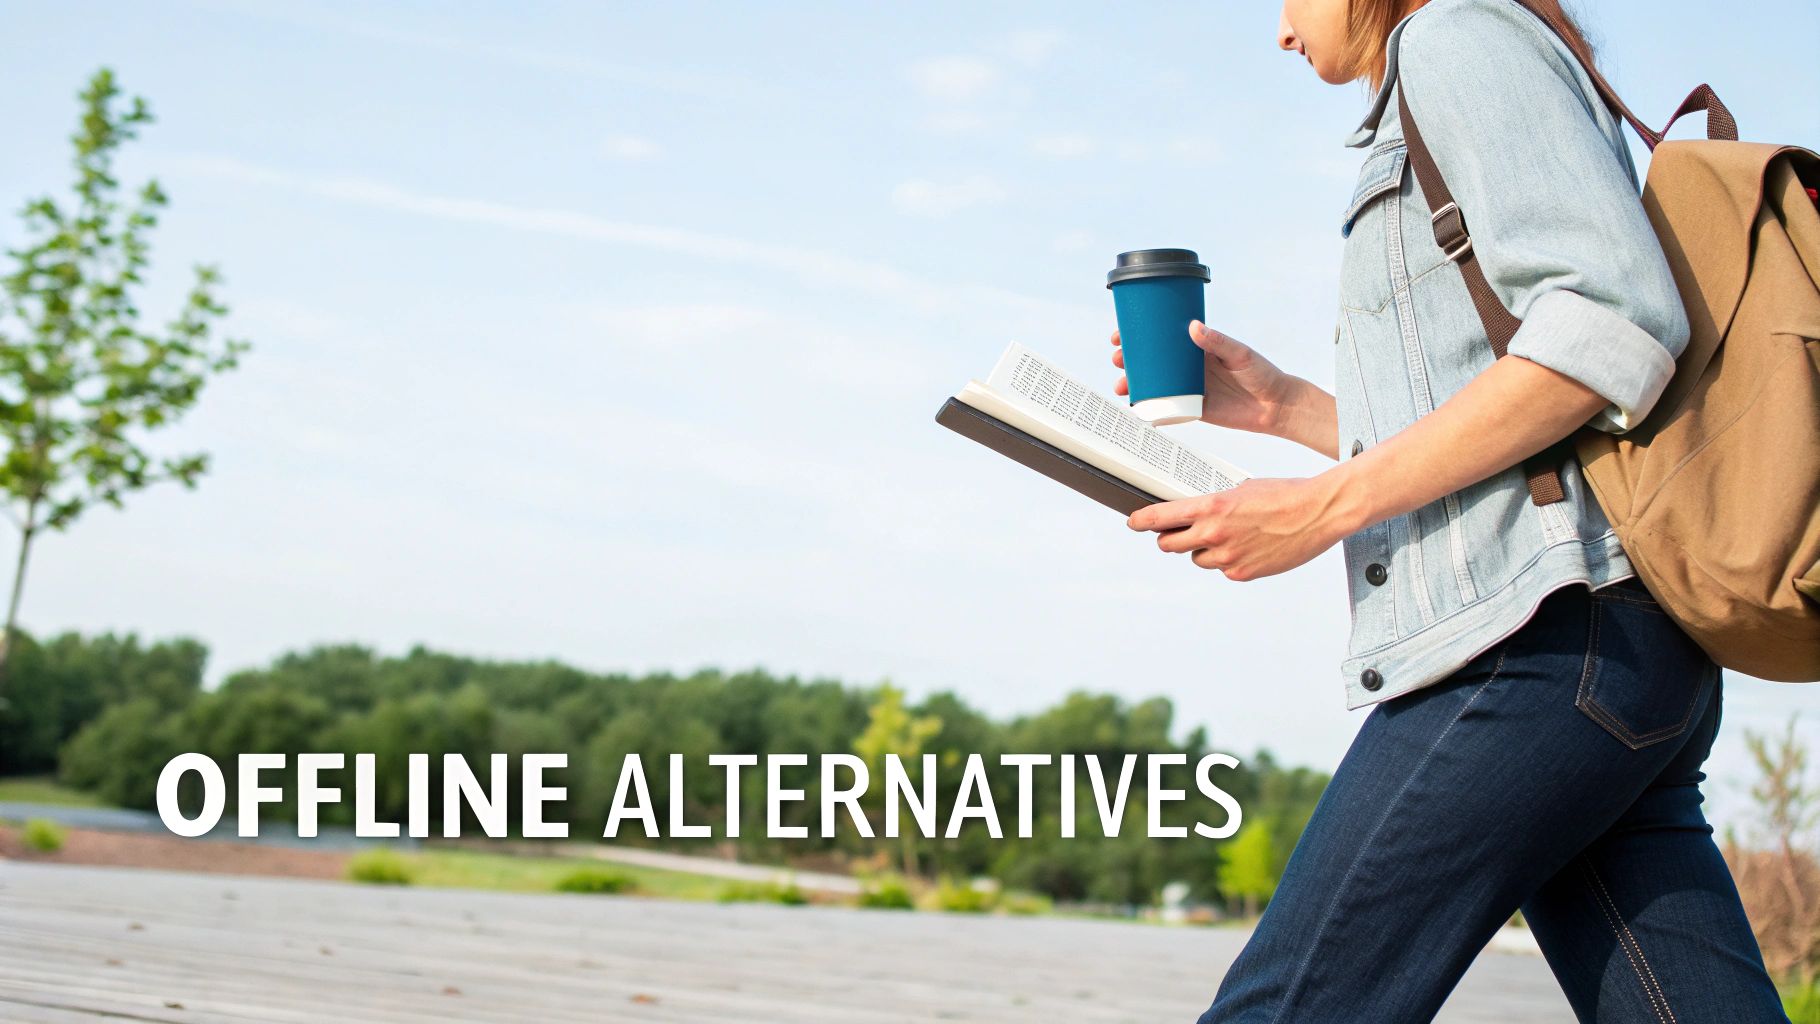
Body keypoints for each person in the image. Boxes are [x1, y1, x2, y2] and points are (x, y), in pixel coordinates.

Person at [1109, 0, 1789, 1020]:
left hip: (1530, 646)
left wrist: (1319, 510)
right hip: (1610, 650)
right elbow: (1519, 413)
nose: (1281, 34)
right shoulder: (1472, 52)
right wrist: (1284, 406)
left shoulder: (1454, 39)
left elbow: (1610, 321)